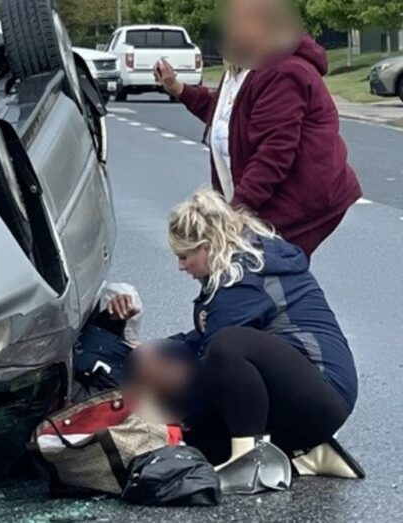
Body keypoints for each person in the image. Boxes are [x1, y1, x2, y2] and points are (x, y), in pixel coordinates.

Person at [131, 189, 360, 477]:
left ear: (206, 248)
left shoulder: (243, 278)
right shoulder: (239, 265)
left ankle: (249, 461)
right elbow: (204, 341)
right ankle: (307, 452)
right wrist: (160, 349)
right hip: (306, 392)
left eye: (184, 256)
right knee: (200, 444)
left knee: (226, 347)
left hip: (324, 391)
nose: (181, 266)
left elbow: (214, 360)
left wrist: (164, 407)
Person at [153, 0, 362, 260]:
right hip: (271, 202)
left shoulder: (284, 71)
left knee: (263, 274)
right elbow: (230, 118)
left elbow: (274, 153)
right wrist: (179, 90)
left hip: (299, 203)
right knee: (256, 275)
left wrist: (236, 213)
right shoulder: (244, 68)